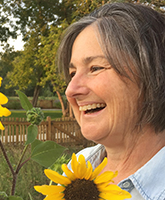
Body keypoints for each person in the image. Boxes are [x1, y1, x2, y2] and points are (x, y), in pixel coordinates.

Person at [57, 2, 165, 200]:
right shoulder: (77, 168)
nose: (71, 90)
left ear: (154, 75)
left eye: (95, 68)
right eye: (72, 73)